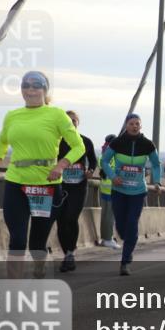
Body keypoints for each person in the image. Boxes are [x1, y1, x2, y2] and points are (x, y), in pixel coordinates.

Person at [0, 71, 85, 278]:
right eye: (26, 85)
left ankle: (39, 265)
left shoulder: (57, 115)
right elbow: (2, 143)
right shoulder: (12, 116)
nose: (30, 89)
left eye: (36, 85)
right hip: (16, 182)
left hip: (46, 186)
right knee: (18, 239)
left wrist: (61, 165)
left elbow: (79, 147)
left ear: (45, 90)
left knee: (36, 243)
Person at [101, 114, 161, 276]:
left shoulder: (147, 144)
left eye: (137, 124)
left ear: (140, 126)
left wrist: (157, 182)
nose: (135, 126)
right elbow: (104, 162)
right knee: (121, 226)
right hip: (119, 190)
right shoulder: (117, 142)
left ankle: (125, 260)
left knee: (132, 223)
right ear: (126, 125)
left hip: (138, 191)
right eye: (131, 123)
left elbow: (156, 164)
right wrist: (113, 177)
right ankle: (126, 240)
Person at [55, 110, 98, 272]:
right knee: (60, 220)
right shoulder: (56, 142)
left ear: (78, 123)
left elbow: (93, 161)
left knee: (71, 217)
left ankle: (71, 253)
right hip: (59, 185)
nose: (71, 123)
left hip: (79, 186)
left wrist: (90, 170)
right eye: (68, 120)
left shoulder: (85, 141)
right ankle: (67, 254)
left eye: (74, 121)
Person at [98, 134, 120, 249]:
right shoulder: (114, 154)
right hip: (113, 188)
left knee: (105, 215)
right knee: (110, 216)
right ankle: (108, 239)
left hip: (104, 188)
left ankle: (104, 238)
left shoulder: (103, 153)